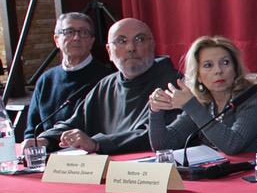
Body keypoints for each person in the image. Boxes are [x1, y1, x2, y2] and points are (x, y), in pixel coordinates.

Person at [36, 17, 181, 154]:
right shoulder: (106, 85)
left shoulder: (175, 84)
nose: (131, 47)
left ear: (153, 45)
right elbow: (76, 123)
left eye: (140, 39)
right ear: (109, 51)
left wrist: (97, 144)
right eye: (121, 41)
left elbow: (160, 135)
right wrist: (45, 140)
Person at [147, 35, 257, 156]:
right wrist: (155, 110)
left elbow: (233, 145)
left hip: (252, 168)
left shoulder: (253, 99)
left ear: (235, 69)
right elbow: (164, 145)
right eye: (208, 65)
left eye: (225, 62)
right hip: (217, 168)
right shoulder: (204, 103)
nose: (218, 71)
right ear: (198, 76)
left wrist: (191, 106)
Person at [21, 12, 113, 142]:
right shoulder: (46, 80)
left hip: (90, 150)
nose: (76, 38)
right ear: (56, 40)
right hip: (47, 150)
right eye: (69, 32)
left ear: (92, 41)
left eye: (84, 32)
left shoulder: (107, 78)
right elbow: (32, 130)